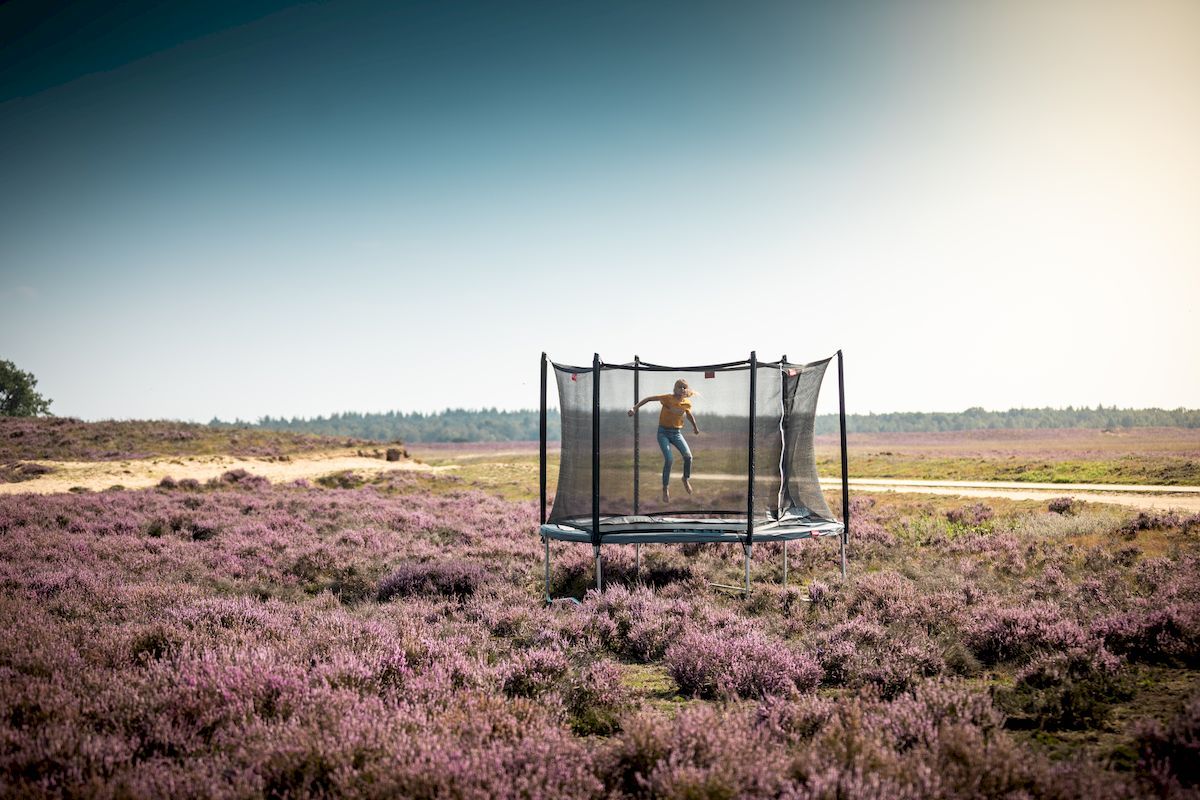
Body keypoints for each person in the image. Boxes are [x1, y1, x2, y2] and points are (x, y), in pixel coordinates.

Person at [628, 379, 700, 503]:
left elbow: (689, 415)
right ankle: (665, 488)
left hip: (676, 433)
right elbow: (648, 399)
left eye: (684, 387)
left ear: (686, 390)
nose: (682, 389)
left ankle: (685, 478)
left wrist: (695, 427)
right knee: (669, 459)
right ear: (675, 389)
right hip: (663, 433)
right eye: (679, 387)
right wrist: (634, 408)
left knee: (688, 457)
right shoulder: (667, 398)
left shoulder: (687, 403)